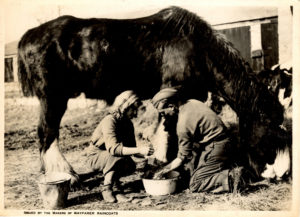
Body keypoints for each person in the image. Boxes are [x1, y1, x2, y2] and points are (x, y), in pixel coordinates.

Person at [151, 88, 247, 194]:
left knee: (195, 184)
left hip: (216, 146)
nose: (162, 117)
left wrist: (163, 170)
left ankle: (231, 177)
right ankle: (226, 179)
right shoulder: (193, 102)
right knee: (197, 172)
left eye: (163, 113)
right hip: (225, 141)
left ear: (171, 106)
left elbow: (182, 158)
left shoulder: (183, 124)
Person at [87, 90, 154, 202]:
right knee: (115, 156)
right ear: (125, 106)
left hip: (110, 156)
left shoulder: (127, 123)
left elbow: (132, 149)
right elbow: (114, 149)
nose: (135, 114)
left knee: (130, 164)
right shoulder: (110, 120)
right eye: (134, 110)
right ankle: (107, 188)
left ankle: (116, 187)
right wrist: (141, 149)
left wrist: (149, 155)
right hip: (95, 157)